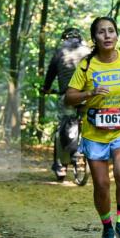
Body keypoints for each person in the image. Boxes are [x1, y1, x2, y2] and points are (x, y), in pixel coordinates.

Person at [64, 16, 120, 238]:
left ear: (116, 35)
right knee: (101, 185)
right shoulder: (86, 65)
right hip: (94, 133)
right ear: (94, 38)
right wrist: (89, 93)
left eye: (111, 31)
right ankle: (107, 227)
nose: (107, 35)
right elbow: (69, 97)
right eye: (101, 32)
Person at [41, 27, 90, 180]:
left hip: (68, 96)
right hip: (88, 96)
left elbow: (50, 74)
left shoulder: (60, 52)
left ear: (64, 39)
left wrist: (46, 89)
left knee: (65, 123)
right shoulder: (89, 52)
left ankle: (61, 166)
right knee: (90, 121)